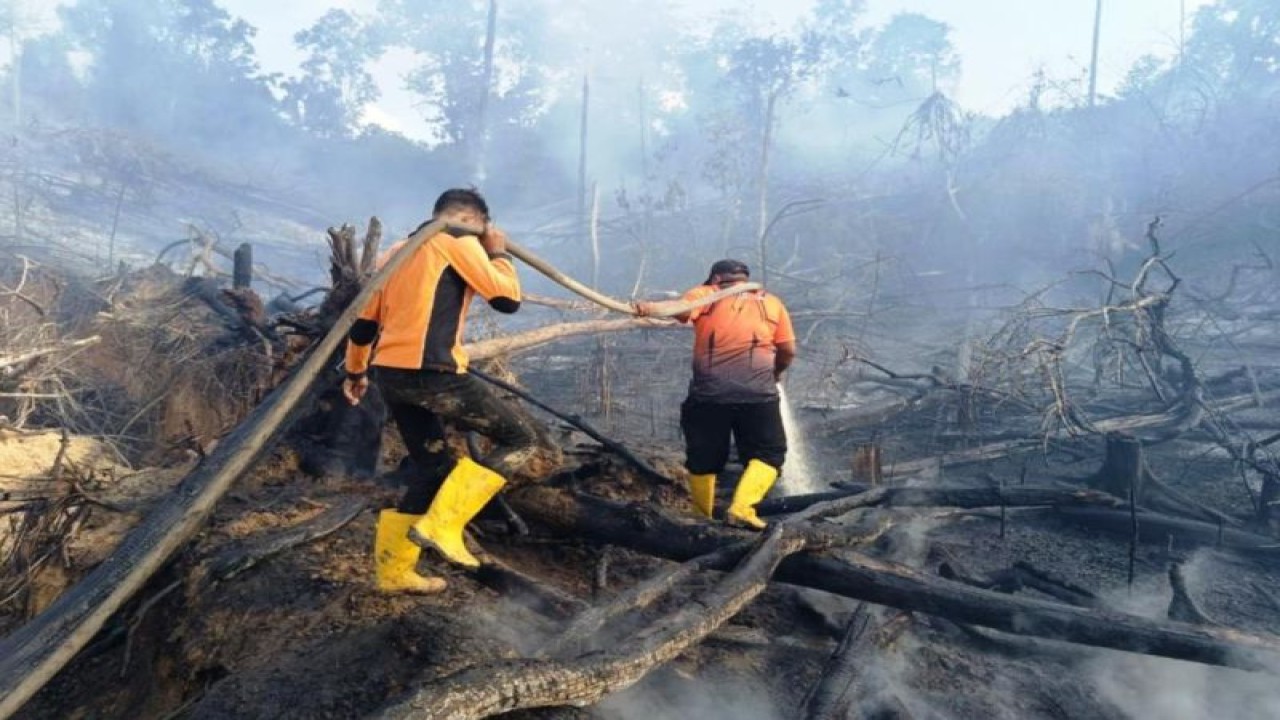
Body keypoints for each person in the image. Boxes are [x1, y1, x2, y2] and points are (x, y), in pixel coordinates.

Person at [343, 188, 554, 594]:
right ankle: (445, 525)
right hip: (435, 373)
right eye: (482, 228)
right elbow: (507, 300)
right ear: (472, 219)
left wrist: (356, 373)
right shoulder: (457, 241)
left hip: (392, 376)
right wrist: (498, 253)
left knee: (432, 466)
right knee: (521, 439)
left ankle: (393, 573)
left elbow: (364, 325)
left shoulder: (397, 252)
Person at [636, 259, 796, 530]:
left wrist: (645, 308)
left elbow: (676, 309)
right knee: (769, 453)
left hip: (708, 397)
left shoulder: (705, 295)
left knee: (703, 459)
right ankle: (742, 508)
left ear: (714, 278)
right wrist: (776, 372)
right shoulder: (771, 302)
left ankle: (702, 517)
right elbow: (788, 350)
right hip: (758, 396)